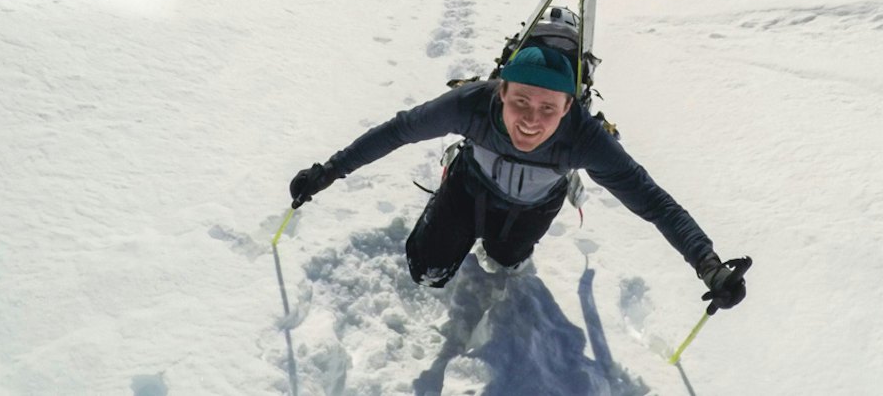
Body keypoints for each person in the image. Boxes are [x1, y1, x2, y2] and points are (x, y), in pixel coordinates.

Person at [289, 44, 748, 310]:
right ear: (500, 90)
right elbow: (399, 130)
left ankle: (531, 207)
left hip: (536, 203)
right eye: (520, 102)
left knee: (506, 259)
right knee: (424, 270)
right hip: (470, 185)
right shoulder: (470, 105)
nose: (532, 119)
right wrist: (328, 172)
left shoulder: (585, 139)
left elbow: (652, 201)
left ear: (569, 107)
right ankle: (458, 167)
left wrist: (708, 264)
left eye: (549, 107)